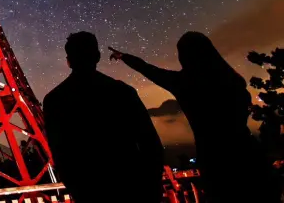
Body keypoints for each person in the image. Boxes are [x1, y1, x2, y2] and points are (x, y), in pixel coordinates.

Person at [110, 31, 281, 203]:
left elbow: (149, 70)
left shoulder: (183, 82)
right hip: (249, 157)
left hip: (215, 162)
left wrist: (124, 57)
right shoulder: (233, 80)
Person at [43, 32, 164, 203]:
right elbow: (151, 144)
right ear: (97, 56)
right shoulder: (122, 92)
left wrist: (78, 189)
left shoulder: (54, 101)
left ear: (68, 60)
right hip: (131, 189)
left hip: (89, 192)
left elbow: (61, 155)